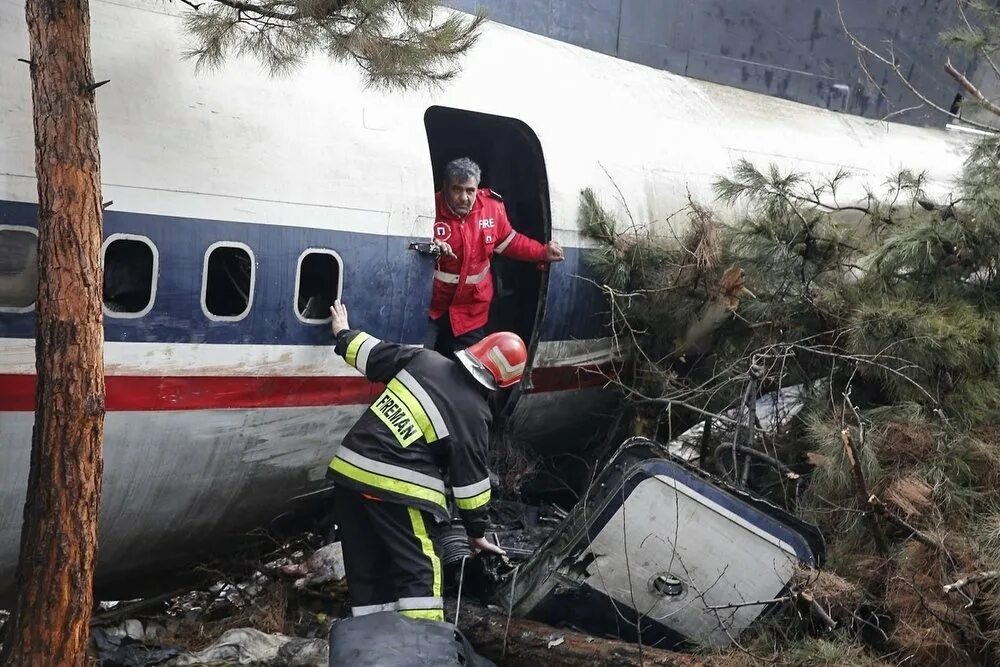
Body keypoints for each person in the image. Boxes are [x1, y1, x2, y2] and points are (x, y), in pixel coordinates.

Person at [326, 299, 524, 622]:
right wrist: (477, 534)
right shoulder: (475, 413)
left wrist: (343, 332)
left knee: (368, 571)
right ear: (502, 384)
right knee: (422, 570)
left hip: (349, 473)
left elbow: (371, 354)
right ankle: (425, 649)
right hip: (396, 486)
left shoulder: (424, 359)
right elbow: (470, 484)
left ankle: (373, 645)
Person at [427, 157, 565, 358]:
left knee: (468, 373)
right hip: (431, 308)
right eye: (457, 189)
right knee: (419, 365)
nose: (464, 197)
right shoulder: (427, 208)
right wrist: (432, 246)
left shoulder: (492, 209)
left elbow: (511, 242)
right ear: (445, 187)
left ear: (477, 189)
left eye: (470, 191)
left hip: (471, 311)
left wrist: (542, 252)